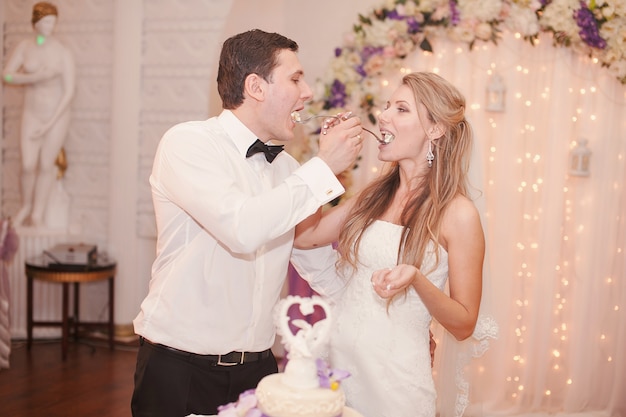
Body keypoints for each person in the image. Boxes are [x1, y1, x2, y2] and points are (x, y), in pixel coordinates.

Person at [131, 29, 363, 417]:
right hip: (180, 368)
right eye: (294, 79)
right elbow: (241, 229)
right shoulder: (188, 143)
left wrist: (388, 316)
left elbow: (318, 264)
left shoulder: (288, 168)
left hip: (260, 371)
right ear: (256, 86)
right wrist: (323, 168)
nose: (307, 92)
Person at [294, 72, 485, 417]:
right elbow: (306, 238)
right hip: (337, 367)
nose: (382, 116)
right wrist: (326, 167)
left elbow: (464, 323)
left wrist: (416, 278)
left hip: (394, 384)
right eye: (385, 107)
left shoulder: (458, 215)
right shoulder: (372, 195)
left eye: (401, 109)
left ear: (436, 129)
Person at [2, 2, 75, 228]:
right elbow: (8, 76)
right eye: (46, 22)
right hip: (32, 112)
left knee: (45, 164)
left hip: (56, 115)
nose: (50, 26)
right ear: (36, 23)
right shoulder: (25, 47)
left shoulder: (62, 52)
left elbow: (69, 91)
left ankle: (37, 213)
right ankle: (25, 206)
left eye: (53, 21)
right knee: (27, 164)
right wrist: (35, 78)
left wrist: (50, 123)